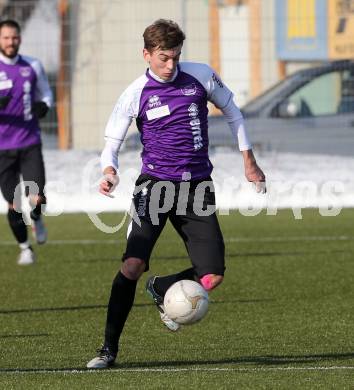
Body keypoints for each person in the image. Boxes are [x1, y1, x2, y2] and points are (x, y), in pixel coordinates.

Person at [87, 19, 265, 369]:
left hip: (197, 187)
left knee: (212, 275)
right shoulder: (135, 92)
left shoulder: (199, 75)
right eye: (164, 58)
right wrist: (109, 171)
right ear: (147, 54)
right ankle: (108, 350)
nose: (171, 65)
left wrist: (249, 160)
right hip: (154, 187)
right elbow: (111, 143)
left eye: (176, 57)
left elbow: (233, 111)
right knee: (132, 264)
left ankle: (162, 288)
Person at [0, 20, 53, 265]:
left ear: (20, 38)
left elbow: (45, 93)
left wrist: (45, 105)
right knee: (13, 203)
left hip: (30, 142)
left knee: (37, 197)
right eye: (6, 38)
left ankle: (37, 218)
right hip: (2, 149)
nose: (11, 42)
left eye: (14, 37)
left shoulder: (32, 65)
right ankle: (25, 248)